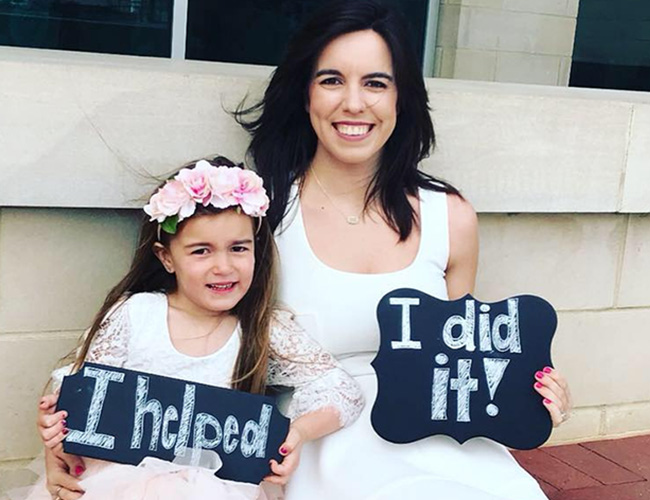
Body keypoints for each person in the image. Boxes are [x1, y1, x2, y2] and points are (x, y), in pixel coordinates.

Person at [235, 1, 572, 499]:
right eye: (331, 80)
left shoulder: (450, 217)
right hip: (319, 439)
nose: (353, 103)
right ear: (303, 94)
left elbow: (463, 363)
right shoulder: (260, 214)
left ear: (401, 97)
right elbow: (198, 345)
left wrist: (532, 393)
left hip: (437, 441)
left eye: (376, 83)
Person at [31, 157, 364, 500]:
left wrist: (295, 434)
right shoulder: (136, 315)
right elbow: (84, 393)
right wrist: (55, 442)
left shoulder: (264, 326)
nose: (223, 266)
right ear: (166, 258)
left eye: (238, 248)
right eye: (201, 251)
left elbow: (341, 390)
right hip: (121, 485)